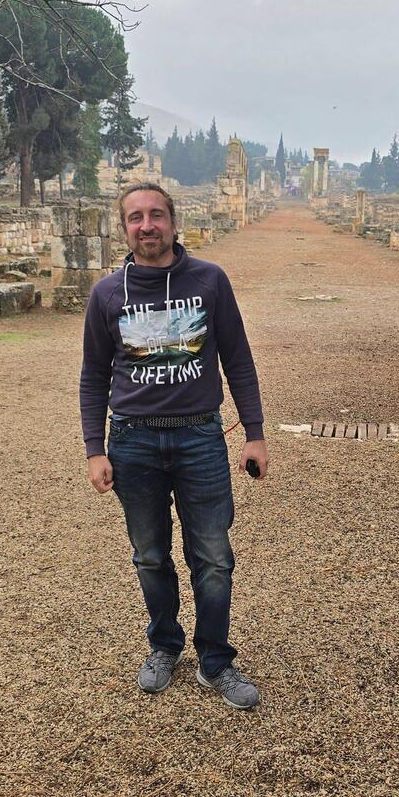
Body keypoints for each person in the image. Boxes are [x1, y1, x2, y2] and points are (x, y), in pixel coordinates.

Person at [80, 183, 268, 709]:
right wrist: (95, 448)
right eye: (136, 217)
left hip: (199, 436)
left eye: (156, 215)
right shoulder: (107, 294)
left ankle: (216, 660)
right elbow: (94, 375)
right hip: (132, 440)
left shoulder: (209, 280)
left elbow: (238, 359)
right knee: (149, 555)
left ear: (173, 221)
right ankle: (165, 645)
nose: (148, 226)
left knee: (213, 555)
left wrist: (254, 434)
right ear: (124, 228)